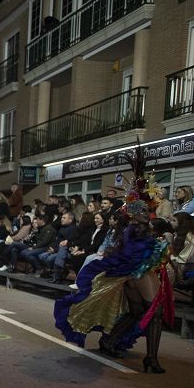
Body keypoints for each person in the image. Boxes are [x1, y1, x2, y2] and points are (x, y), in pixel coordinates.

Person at [55, 156, 174, 373]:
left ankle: (110, 341)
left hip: (133, 269)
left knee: (137, 312)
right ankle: (151, 359)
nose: (148, 211)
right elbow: (139, 235)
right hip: (139, 270)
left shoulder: (132, 215)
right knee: (153, 312)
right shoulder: (137, 216)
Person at [168, 212, 194, 284]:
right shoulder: (178, 234)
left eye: (174, 221)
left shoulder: (190, 237)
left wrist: (170, 259)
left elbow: (185, 257)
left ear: (182, 223)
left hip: (191, 265)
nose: (170, 223)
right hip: (182, 263)